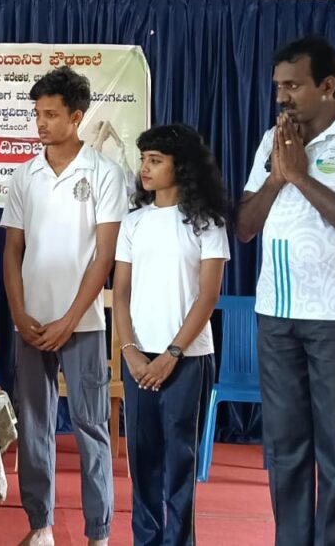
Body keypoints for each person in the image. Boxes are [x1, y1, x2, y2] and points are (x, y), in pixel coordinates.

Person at [235, 35, 335, 546]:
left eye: (293, 86)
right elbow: (243, 228)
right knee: (284, 447)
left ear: (328, 86)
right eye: (278, 86)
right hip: (276, 313)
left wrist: (302, 178)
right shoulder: (273, 139)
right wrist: (277, 178)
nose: (281, 97)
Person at [0, 66, 128, 546]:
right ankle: (41, 526)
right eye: (38, 114)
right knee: (34, 425)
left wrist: (70, 319)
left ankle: (99, 533)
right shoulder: (24, 175)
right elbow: (12, 251)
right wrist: (18, 313)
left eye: (52, 114)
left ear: (77, 117)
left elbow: (104, 256)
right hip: (31, 323)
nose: (41, 123)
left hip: (84, 324)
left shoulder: (104, 173)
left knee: (91, 425)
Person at [113, 123, 231, 546]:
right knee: (142, 460)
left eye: (155, 160)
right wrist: (130, 352)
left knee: (181, 460)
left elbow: (208, 296)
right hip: (138, 360)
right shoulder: (133, 222)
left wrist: (172, 354)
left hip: (188, 359)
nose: (144, 168)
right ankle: (145, 539)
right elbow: (121, 293)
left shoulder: (207, 224)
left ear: (180, 167)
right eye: (143, 159)